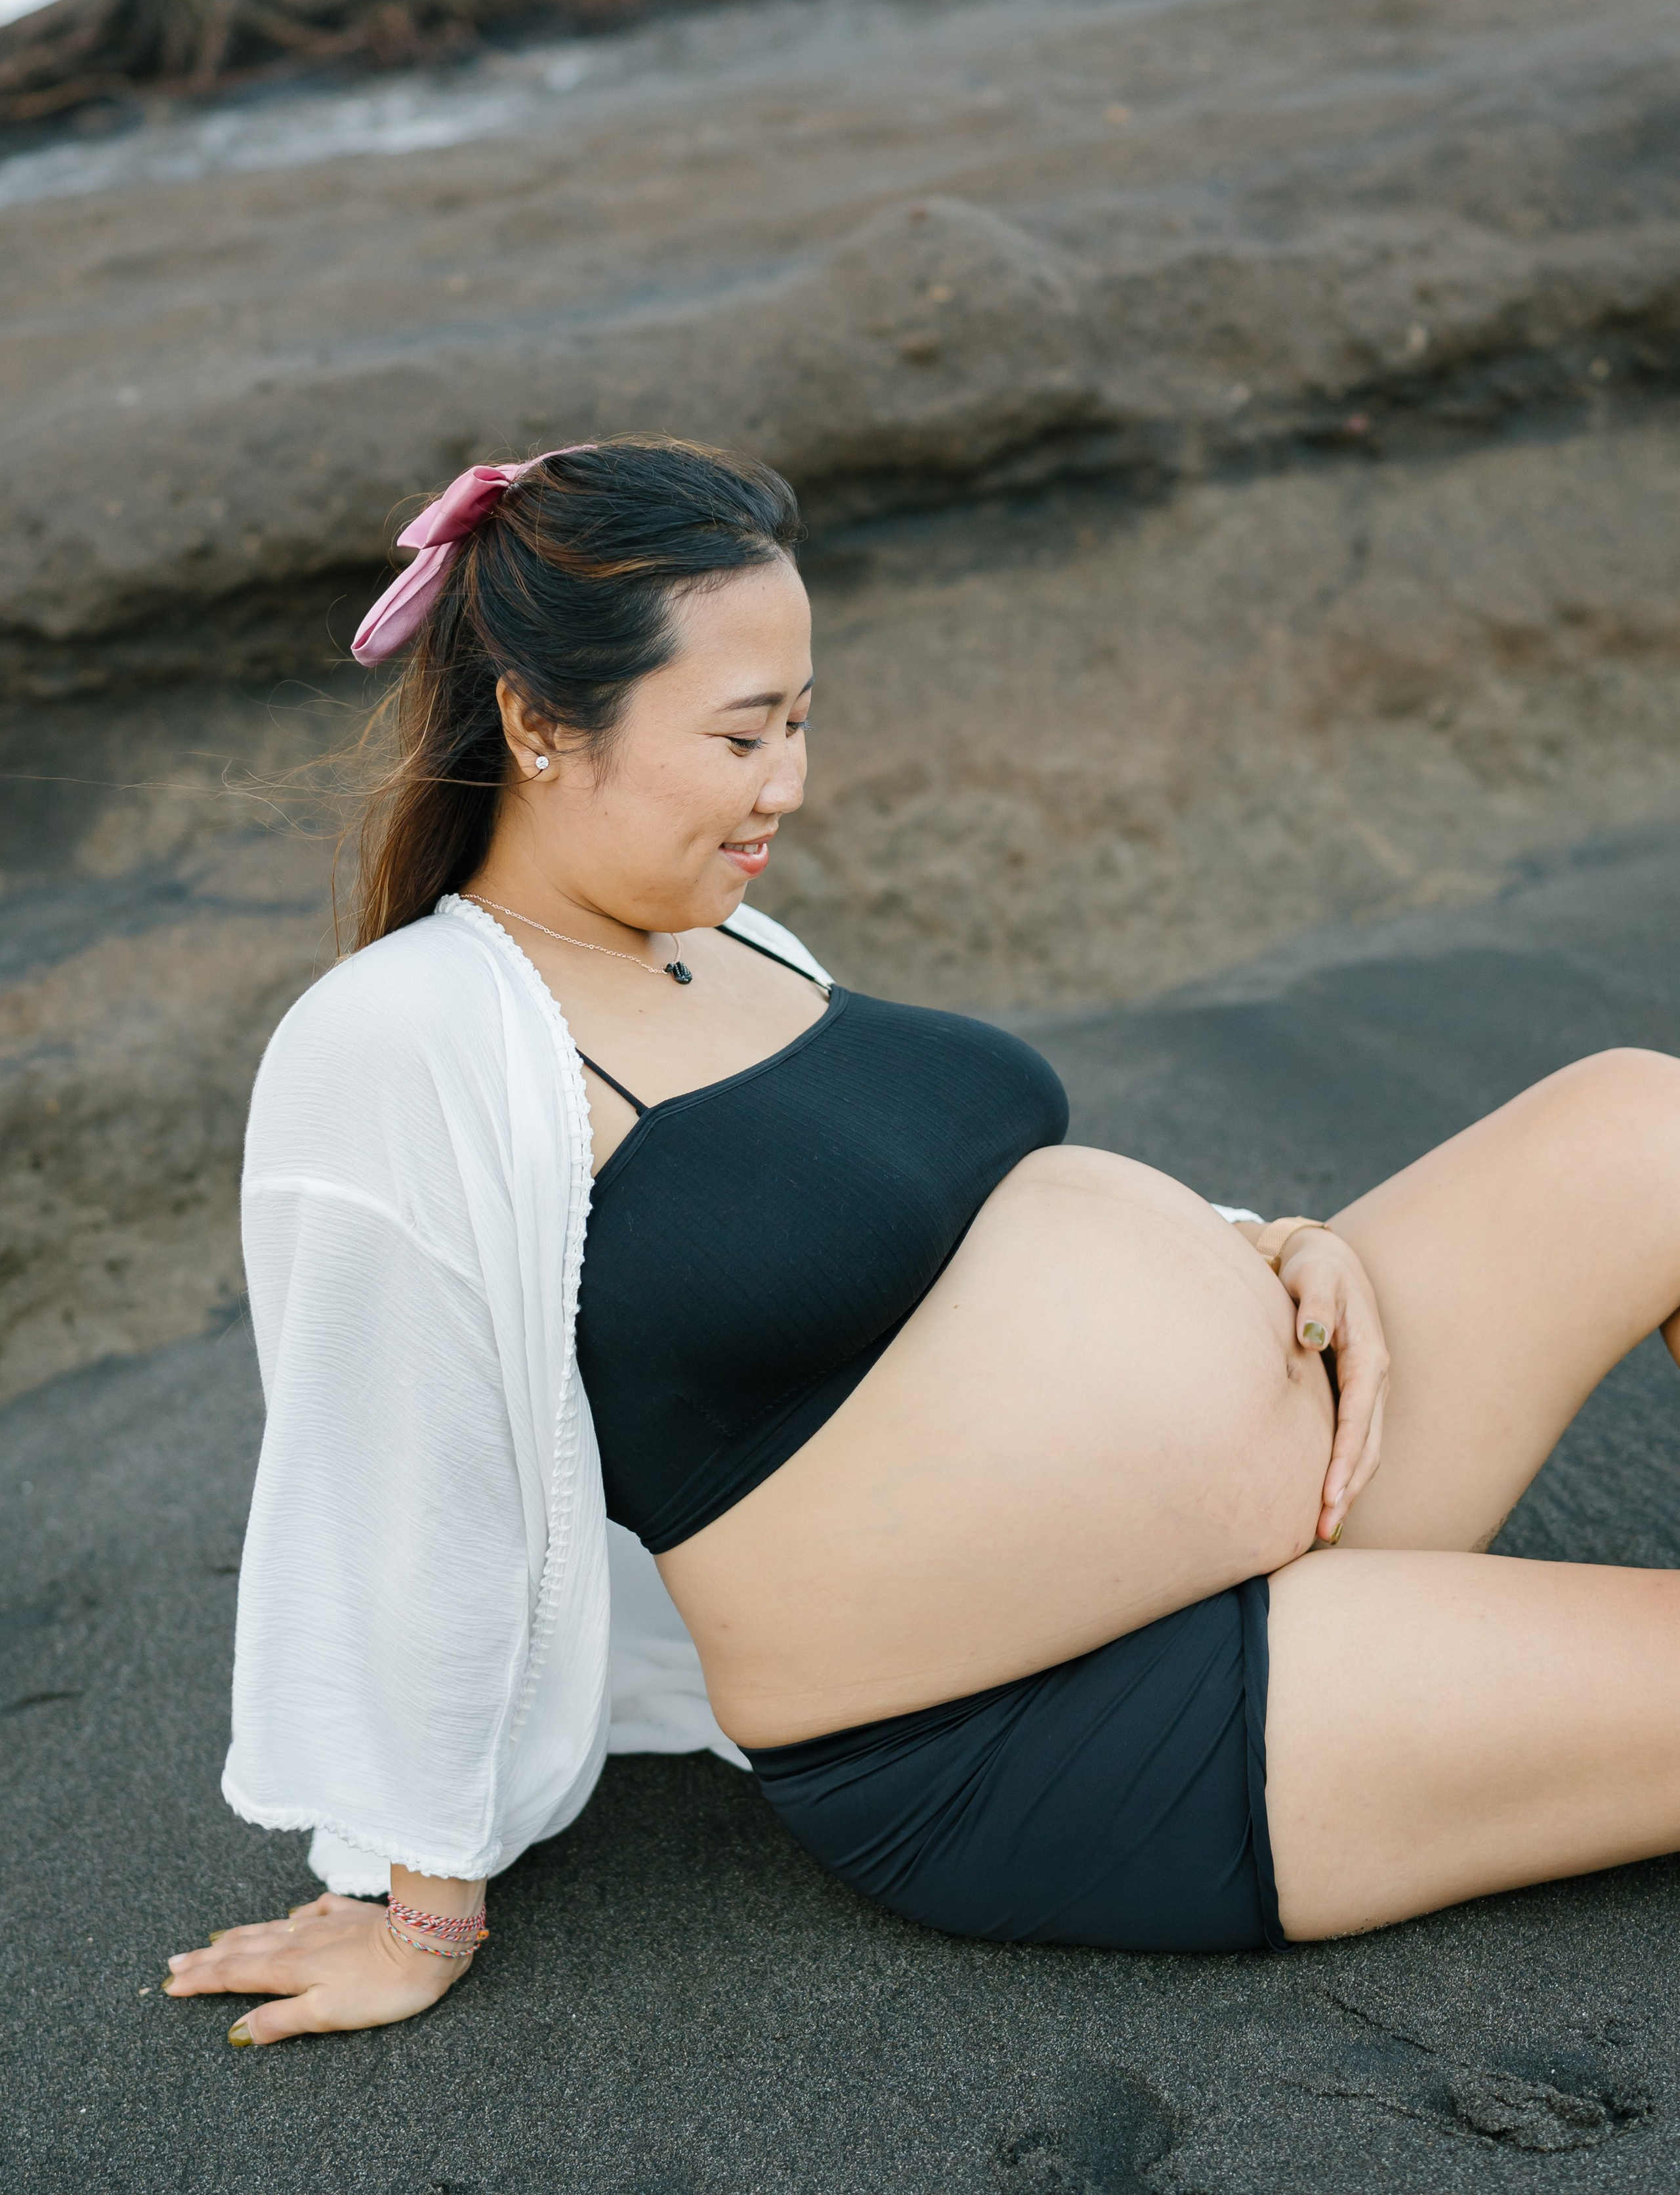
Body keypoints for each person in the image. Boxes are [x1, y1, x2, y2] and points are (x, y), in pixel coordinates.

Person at [163, 436, 1680, 2048]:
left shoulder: (719, 937)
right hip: (1047, 1721)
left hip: (1289, 1471)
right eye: (743, 734)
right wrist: (418, 1903)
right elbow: (403, 1472)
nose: (789, 786)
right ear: (540, 725)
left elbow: (927, 1220)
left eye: (801, 721)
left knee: (1640, 1124)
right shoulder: (406, 1035)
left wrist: (1264, 1240)